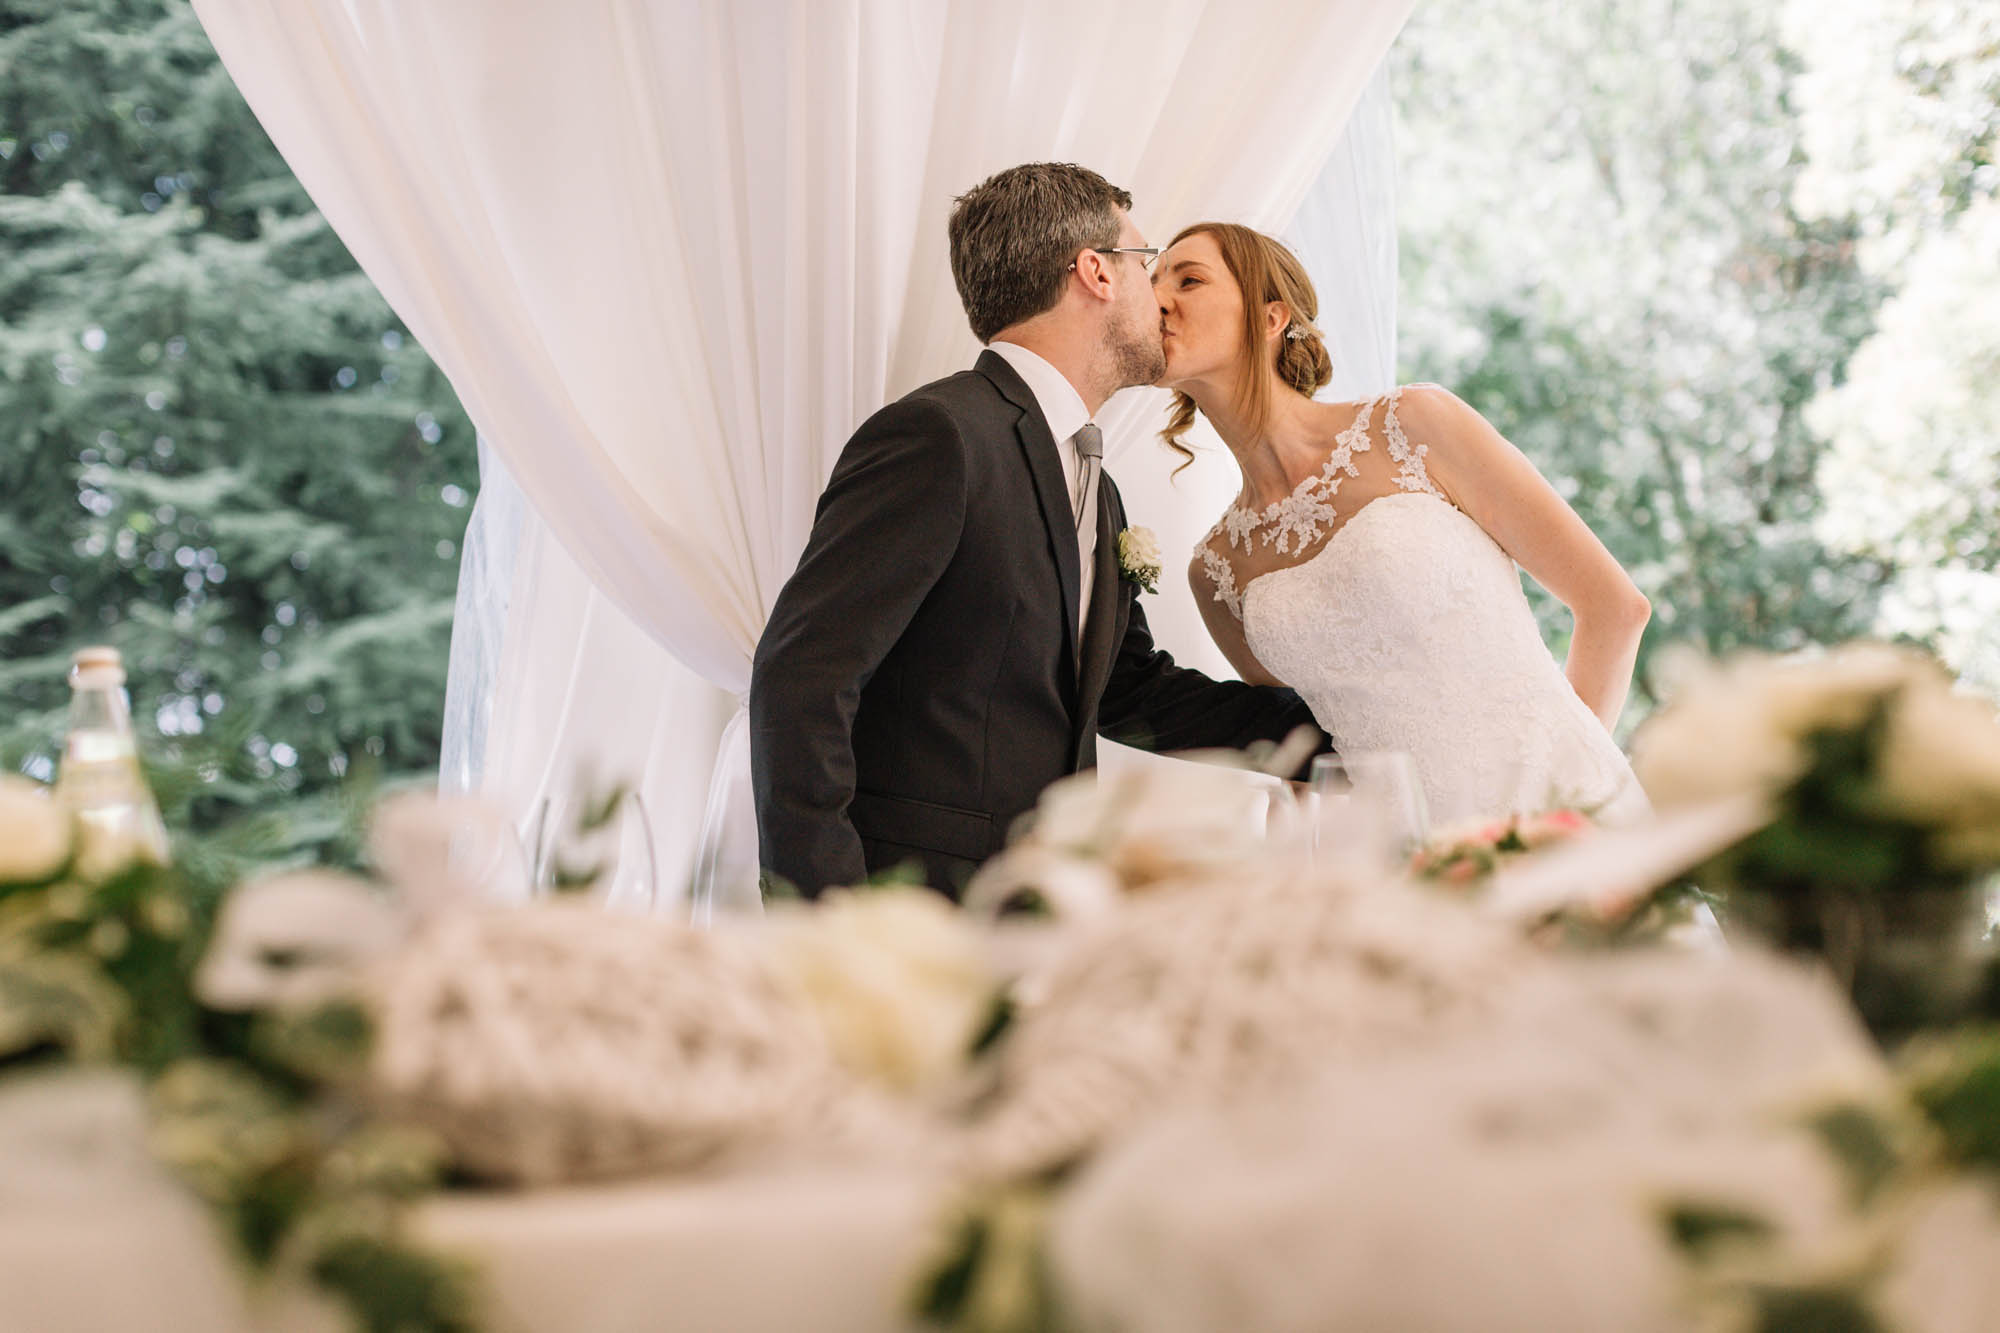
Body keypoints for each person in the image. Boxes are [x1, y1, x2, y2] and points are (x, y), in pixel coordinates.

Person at [749, 167, 1324, 899]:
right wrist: (831, 921)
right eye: (1147, 265)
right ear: (1096, 273)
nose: (1163, 301)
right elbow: (800, 680)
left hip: (1037, 909)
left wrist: (1338, 731)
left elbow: (1128, 690)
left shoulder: (1094, 482)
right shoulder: (941, 437)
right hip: (918, 909)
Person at [1158, 222, 1653, 828]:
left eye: (1189, 279)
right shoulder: (1216, 573)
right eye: (1152, 281)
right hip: (1403, 871)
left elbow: (1615, 608)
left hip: (1559, 824)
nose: (1158, 298)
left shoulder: (1416, 425)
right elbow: (1304, 758)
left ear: (1270, 318)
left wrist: (1554, 825)